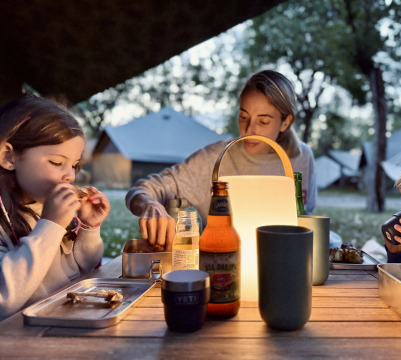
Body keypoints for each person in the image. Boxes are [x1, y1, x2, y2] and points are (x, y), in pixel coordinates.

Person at [126, 70, 317, 251]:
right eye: (243, 117)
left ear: (286, 122)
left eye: (263, 121)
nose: (249, 129)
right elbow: (142, 189)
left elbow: (305, 220)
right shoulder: (213, 159)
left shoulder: (302, 158)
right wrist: (150, 206)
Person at [0, 95, 110, 320]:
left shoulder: (43, 206)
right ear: (8, 156)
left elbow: (79, 273)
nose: (69, 175)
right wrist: (50, 225)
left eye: (74, 165)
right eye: (57, 163)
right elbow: (5, 298)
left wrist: (88, 228)